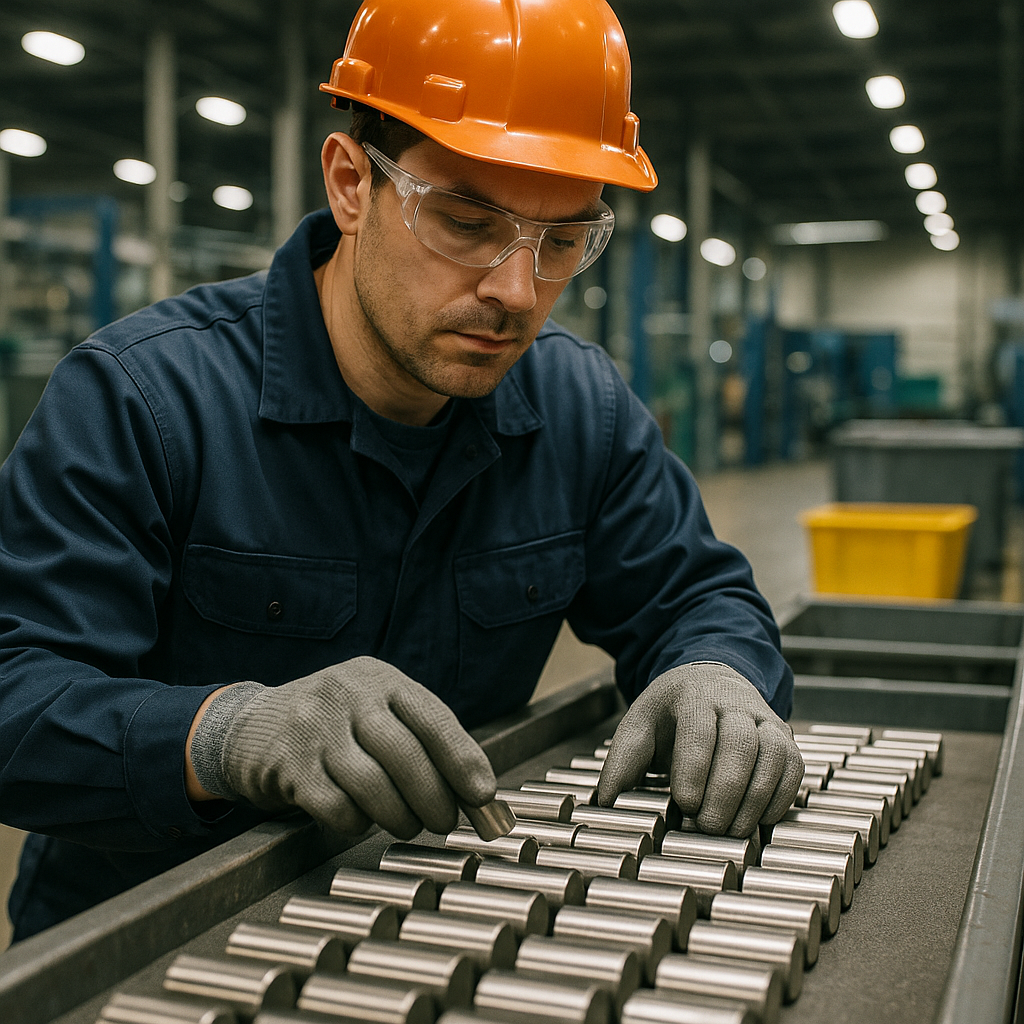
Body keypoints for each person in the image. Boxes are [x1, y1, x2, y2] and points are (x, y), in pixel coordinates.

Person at [0, 0, 802, 941]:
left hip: (431, 922)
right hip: (145, 942)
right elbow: (15, 695)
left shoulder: (579, 408)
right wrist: (227, 733)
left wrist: (718, 670)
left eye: (560, 243)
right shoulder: (145, 400)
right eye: (465, 222)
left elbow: (697, 594)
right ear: (351, 184)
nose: (515, 291)